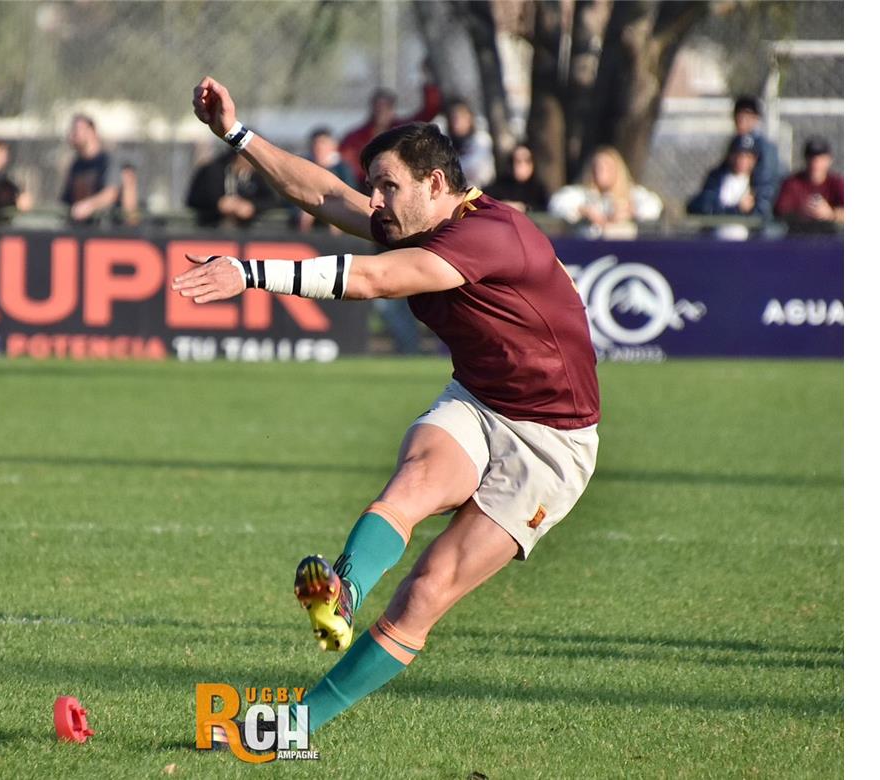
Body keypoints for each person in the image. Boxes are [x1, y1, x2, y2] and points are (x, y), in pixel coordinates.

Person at [179, 77, 599, 750]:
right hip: (480, 401)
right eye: (374, 187)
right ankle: (342, 592)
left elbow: (373, 279)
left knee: (426, 593)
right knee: (408, 486)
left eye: (387, 187)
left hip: (551, 445)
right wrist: (237, 135)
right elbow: (321, 195)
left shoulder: (493, 234)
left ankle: (295, 726)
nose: (375, 202)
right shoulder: (421, 216)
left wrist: (250, 275)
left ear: (436, 183)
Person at [339, 75, 442, 189]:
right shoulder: (356, 137)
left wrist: (429, 82)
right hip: (365, 185)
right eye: (378, 107)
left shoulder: (402, 129)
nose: (381, 112)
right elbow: (346, 160)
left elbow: (429, 111)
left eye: (386, 107)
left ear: (392, 109)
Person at [547, 146, 662, 239]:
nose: (601, 171)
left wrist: (630, 210)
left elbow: (654, 206)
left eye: (607, 167)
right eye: (597, 167)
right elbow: (556, 204)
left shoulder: (632, 193)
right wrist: (583, 211)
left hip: (624, 253)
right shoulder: (582, 194)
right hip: (588, 251)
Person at [185, 150, 281, 229]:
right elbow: (193, 199)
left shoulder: (257, 175)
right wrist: (218, 204)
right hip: (211, 229)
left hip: (247, 232)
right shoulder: (212, 170)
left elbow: (272, 199)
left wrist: (252, 206)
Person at [687, 134, 767, 217]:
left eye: (747, 157)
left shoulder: (759, 183)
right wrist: (736, 209)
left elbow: (762, 214)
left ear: (755, 159)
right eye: (737, 155)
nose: (741, 161)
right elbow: (700, 206)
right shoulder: (717, 178)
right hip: (716, 229)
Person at [60, 114, 120, 225]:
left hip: (104, 230)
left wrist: (89, 205)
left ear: (92, 131)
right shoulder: (76, 164)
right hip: (78, 228)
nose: (73, 135)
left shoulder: (106, 160)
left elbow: (111, 194)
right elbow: (66, 200)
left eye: (77, 130)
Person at [295, 127, 356, 233]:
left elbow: (351, 195)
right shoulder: (303, 165)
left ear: (333, 146)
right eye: (315, 144)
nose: (319, 148)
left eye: (323, 143)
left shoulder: (342, 168)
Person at [728, 96, 781, 215]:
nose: (741, 120)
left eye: (747, 116)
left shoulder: (764, 147)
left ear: (756, 119)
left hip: (760, 214)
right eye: (738, 116)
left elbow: (766, 185)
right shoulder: (735, 143)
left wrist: (757, 211)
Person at [774, 137, 843, 226]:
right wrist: (803, 212)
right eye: (811, 158)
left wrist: (831, 214)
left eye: (821, 159)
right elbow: (780, 212)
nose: (816, 163)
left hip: (831, 236)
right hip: (799, 235)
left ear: (829, 160)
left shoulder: (837, 183)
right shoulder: (792, 183)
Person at [443, 98, 494, 189]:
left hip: (480, 190)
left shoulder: (481, 139)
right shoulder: (447, 141)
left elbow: (479, 170)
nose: (456, 123)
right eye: (454, 119)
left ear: (469, 119)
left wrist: (451, 168)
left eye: (461, 118)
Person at [486, 143, 549, 213]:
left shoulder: (538, 191)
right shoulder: (499, 187)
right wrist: (503, 205)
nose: (522, 166)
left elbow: (544, 211)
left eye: (526, 161)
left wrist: (525, 208)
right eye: (518, 161)